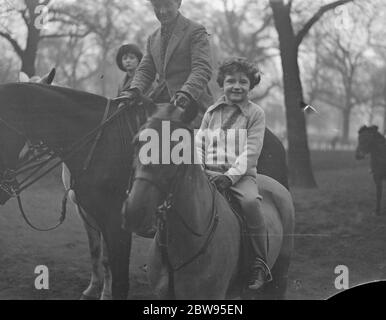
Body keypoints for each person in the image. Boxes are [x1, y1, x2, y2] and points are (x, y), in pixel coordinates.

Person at [195, 57, 272, 290]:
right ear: (222, 84)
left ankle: (260, 262)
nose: (236, 86)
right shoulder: (211, 111)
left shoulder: (255, 114)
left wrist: (229, 177)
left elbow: (251, 150)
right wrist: (199, 170)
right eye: (231, 81)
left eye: (243, 82)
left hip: (239, 177)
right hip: (208, 173)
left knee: (250, 203)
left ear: (251, 86)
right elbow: (199, 143)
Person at [120, 0, 213, 113]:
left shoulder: (196, 31)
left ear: (178, 3)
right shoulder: (153, 38)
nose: (162, 11)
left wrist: (186, 92)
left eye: (167, 5)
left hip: (192, 106)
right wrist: (133, 91)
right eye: (157, 6)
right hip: (160, 103)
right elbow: (145, 70)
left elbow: (202, 68)